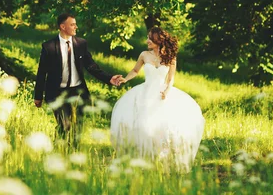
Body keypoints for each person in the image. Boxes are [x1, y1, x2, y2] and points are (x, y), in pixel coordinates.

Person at [110, 26, 205, 171]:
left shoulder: (170, 56)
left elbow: (171, 78)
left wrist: (167, 90)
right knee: (142, 124)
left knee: (163, 126)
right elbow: (135, 70)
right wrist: (126, 79)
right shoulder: (144, 55)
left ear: (158, 40)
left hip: (161, 94)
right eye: (148, 37)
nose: (147, 40)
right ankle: (142, 158)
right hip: (145, 93)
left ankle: (162, 159)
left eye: (150, 38)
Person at [34, 13, 124, 144]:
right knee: (64, 125)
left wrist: (109, 78)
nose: (76, 27)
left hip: (77, 92)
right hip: (57, 92)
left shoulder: (81, 44)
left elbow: (91, 66)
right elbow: (42, 72)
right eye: (72, 24)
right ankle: (59, 151)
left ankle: (74, 154)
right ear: (62, 26)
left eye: (75, 24)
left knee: (77, 127)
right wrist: (38, 96)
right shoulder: (49, 47)